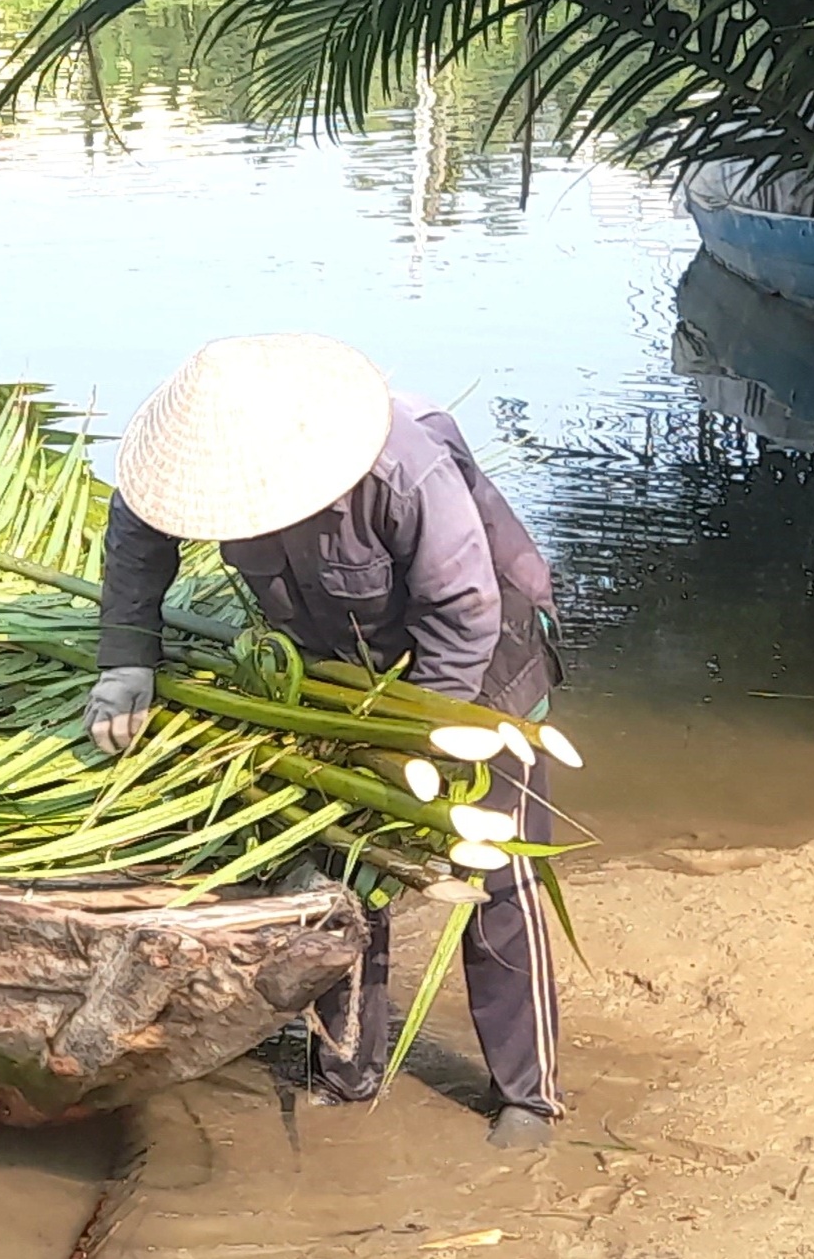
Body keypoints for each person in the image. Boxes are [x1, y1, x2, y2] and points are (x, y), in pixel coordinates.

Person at [87, 333, 565, 1145]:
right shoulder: (188, 470)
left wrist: (418, 740)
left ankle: (527, 1091)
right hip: (329, 670)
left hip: (477, 668)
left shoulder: (399, 465)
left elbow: (464, 610)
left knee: (495, 873)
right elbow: (138, 534)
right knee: (338, 863)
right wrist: (126, 659)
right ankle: (346, 1067)